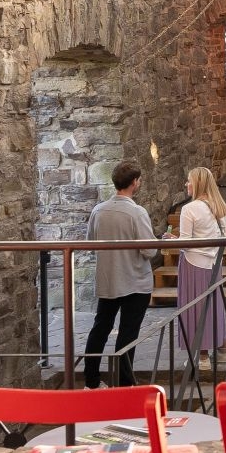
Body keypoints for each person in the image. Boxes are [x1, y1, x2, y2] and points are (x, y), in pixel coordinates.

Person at [83, 161, 157, 388]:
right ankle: (124, 383)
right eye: (139, 180)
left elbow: (90, 242)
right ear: (134, 183)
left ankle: (91, 381)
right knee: (128, 333)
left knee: (100, 328)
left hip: (108, 279)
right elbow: (149, 250)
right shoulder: (136, 212)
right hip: (135, 280)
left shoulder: (98, 211)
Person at [175, 166, 226, 359]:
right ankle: (223, 347)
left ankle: (203, 357)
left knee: (195, 308)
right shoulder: (222, 208)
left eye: (189, 181)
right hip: (215, 263)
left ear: (197, 184)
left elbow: (185, 243)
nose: (186, 184)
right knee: (214, 304)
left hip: (193, 264)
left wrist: (172, 241)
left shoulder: (189, 209)